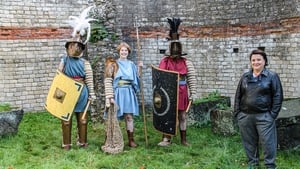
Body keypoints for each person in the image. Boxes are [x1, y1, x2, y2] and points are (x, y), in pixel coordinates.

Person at [234, 49, 283, 169]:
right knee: (249, 143)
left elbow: (278, 96)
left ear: (264, 61)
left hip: (264, 116)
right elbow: (238, 96)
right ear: (250, 62)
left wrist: (272, 115)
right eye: (253, 60)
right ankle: (253, 164)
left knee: (268, 143)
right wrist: (238, 114)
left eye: (258, 60)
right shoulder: (245, 77)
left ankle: (270, 165)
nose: (256, 62)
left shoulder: (272, 76)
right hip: (245, 116)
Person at [157, 18, 197, 146]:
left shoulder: (186, 62)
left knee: (182, 116)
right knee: (167, 115)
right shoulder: (165, 61)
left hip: (182, 91)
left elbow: (191, 78)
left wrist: (193, 93)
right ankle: (166, 138)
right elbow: (160, 78)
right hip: (168, 92)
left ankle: (183, 140)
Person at [104, 42, 141, 148]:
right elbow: (108, 80)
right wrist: (110, 96)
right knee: (113, 117)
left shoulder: (131, 64)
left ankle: (131, 140)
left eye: (126, 50)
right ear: (119, 52)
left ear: (128, 52)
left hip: (129, 92)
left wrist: (139, 68)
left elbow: (136, 78)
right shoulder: (113, 64)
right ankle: (111, 140)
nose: (124, 52)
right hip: (118, 93)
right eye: (122, 50)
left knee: (129, 117)